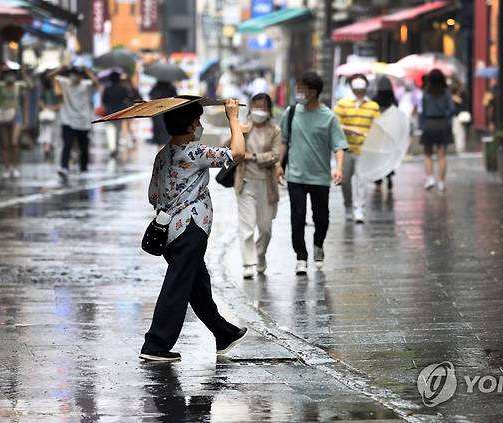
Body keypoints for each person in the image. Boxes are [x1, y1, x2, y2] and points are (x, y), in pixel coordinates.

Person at [141, 98, 247, 362]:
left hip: (168, 231)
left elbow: (153, 195)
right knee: (178, 285)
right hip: (190, 229)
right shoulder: (195, 152)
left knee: (197, 285)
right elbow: (238, 153)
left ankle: (224, 333)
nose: (199, 125)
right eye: (197, 121)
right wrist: (233, 118)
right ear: (189, 125)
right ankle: (155, 344)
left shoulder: (163, 154)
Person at [278, 71, 348, 275]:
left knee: (322, 217)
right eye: (298, 88)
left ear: (314, 91)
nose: (299, 92)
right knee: (297, 216)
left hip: (320, 176)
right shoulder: (291, 113)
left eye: (303, 88)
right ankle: (301, 256)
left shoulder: (328, 117)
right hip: (296, 176)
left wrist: (339, 168)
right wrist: (278, 165)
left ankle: (319, 245)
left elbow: (339, 146)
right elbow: (284, 141)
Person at [234, 93, 281, 278]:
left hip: (267, 185)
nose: (259, 110)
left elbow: (275, 155)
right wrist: (236, 131)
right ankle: (247, 263)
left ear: (269, 109)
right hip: (245, 183)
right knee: (246, 226)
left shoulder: (274, 130)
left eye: (263, 107)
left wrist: (253, 157)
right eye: (256, 106)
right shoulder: (245, 128)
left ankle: (260, 255)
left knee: (266, 228)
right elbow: (230, 148)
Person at [333, 74, 380, 223]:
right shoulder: (342, 104)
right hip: (345, 149)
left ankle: (359, 208)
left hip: (364, 150)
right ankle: (348, 205)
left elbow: (378, 126)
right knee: (344, 180)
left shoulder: (373, 107)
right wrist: (351, 129)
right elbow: (335, 125)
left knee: (361, 180)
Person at [48, 66, 99, 179]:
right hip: (67, 119)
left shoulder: (86, 85)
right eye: (72, 73)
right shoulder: (65, 83)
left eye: (76, 74)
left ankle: (83, 168)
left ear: (81, 76)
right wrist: (61, 68)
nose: (74, 76)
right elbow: (50, 77)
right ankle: (64, 167)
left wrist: (87, 71)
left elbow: (96, 84)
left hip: (83, 121)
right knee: (67, 144)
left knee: (84, 146)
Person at [420, 69, 455, 191]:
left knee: (428, 154)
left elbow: (423, 111)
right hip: (442, 124)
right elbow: (452, 109)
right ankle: (441, 182)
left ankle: (430, 178)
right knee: (442, 156)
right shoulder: (446, 93)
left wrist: (422, 125)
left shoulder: (426, 93)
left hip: (429, 123)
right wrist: (446, 118)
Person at [0, 68, 31, 178]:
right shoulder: (1, 86)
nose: (10, 76)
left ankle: (15, 167)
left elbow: (30, 85)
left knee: (14, 142)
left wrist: (23, 72)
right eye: (7, 74)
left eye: (12, 74)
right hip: (3, 116)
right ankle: (7, 168)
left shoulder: (18, 86)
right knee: (5, 144)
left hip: (16, 116)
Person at [372, 76, 399, 191]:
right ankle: (389, 174)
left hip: (378, 130)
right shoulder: (393, 100)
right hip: (390, 130)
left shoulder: (375, 99)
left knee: (378, 154)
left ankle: (378, 177)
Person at [102, 71, 134, 158]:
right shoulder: (122, 88)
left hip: (109, 112)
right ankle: (115, 148)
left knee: (110, 131)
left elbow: (104, 100)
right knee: (117, 131)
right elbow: (129, 97)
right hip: (119, 112)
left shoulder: (107, 88)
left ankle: (112, 148)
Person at [37, 72, 62, 162]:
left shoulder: (55, 90)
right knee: (49, 132)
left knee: (46, 132)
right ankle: (48, 148)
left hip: (49, 114)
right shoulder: (49, 90)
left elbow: (60, 103)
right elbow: (60, 103)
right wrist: (50, 108)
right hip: (50, 115)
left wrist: (46, 108)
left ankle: (47, 148)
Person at [149, 80, 177, 145]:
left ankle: (159, 149)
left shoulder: (156, 88)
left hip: (157, 112)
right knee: (167, 132)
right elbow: (176, 99)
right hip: (168, 113)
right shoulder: (171, 88)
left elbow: (151, 97)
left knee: (159, 132)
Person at [451, 78, 469, 155]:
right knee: (458, 131)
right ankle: (459, 146)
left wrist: (456, 99)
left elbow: (463, 103)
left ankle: (460, 147)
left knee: (460, 131)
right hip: (457, 114)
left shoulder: (462, 93)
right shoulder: (455, 93)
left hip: (460, 114)